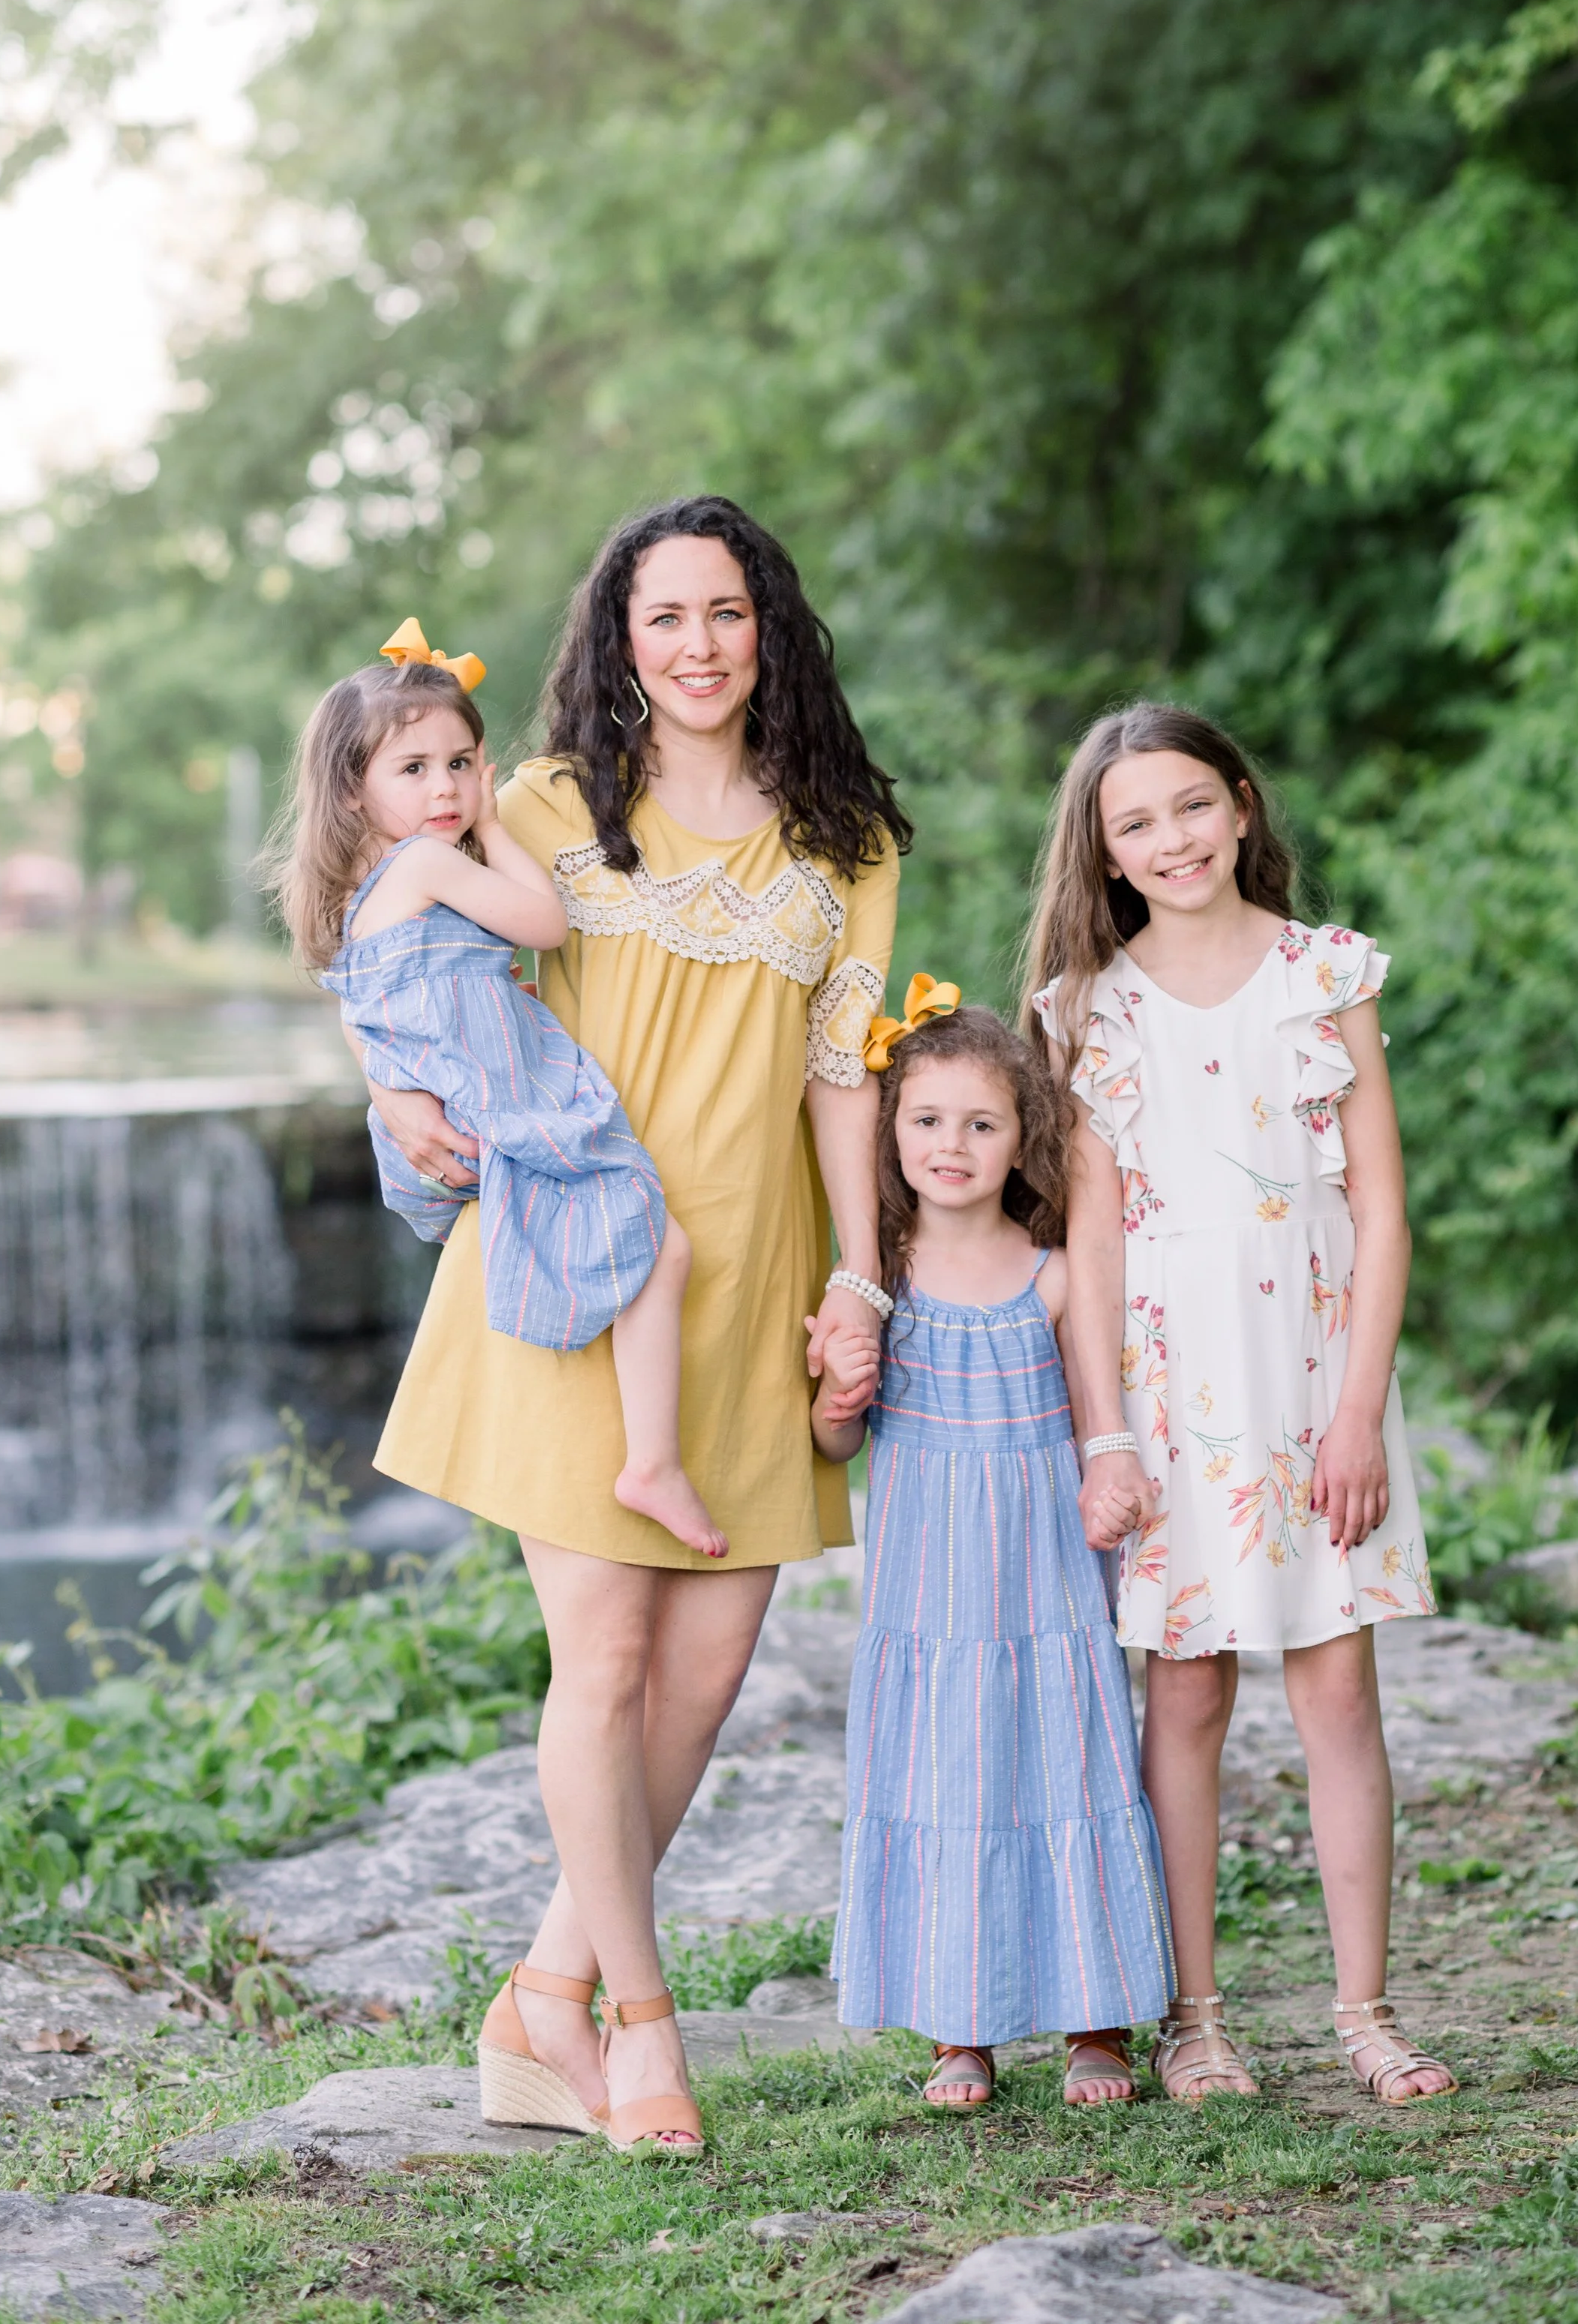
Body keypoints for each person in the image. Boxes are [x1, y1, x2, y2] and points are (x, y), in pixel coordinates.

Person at [361, 497, 907, 2157]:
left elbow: (839, 1081)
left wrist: (860, 1278)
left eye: (724, 613)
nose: (694, 645)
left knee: (705, 1677)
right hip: (559, 1264)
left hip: (745, 1284)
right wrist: (391, 1095)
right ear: (618, 636)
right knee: (602, 1661)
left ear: (770, 631)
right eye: (661, 616)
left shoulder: (848, 843)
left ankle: (539, 2000)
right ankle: (639, 2030)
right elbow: (396, 951)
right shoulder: (535, 804)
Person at [1025, 703, 1454, 2107]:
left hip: (1321, 1381)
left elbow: (1383, 1212)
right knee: (1187, 1696)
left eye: (1192, 806)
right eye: (1135, 823)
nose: (1172, 840)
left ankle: (1366, 2014)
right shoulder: (1092, 1008)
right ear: (1104, 852)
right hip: (1170, 1390)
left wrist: (1357, 1411)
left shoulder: (1324, 975)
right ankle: (1194, 2017)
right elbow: (1089, 1246)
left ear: (1245, 806)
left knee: (1338, 1690)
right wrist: (1105, 1434)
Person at [273, 620, 722, 1561]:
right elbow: (545, 923)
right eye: (414, 769)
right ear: (353, 791)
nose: (444, 787)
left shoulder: (359, 889)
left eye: (463, 763)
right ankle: (652, 1462)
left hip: (446, 1122)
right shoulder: (430, 864)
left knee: (619, 1246)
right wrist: (492, 823)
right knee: (663, 1243)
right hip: (501, 1106)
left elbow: (360, 1005)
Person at [815, 986, 1174, 2112]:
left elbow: (1096, 1415)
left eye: (980, 1123)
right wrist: (839, 1386)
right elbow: (833, 1445)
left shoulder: (1054, 1273)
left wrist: (1113, 1479)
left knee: (1067, 1770)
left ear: (1024, 1139)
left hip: (1044, 1587)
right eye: (925, 1121)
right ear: (891, 1136)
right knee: (945, 1784)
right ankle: (956, 2029)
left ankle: (1096, 2022)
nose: (951, 1145)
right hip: (930, 1599)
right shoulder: (882, 1286)